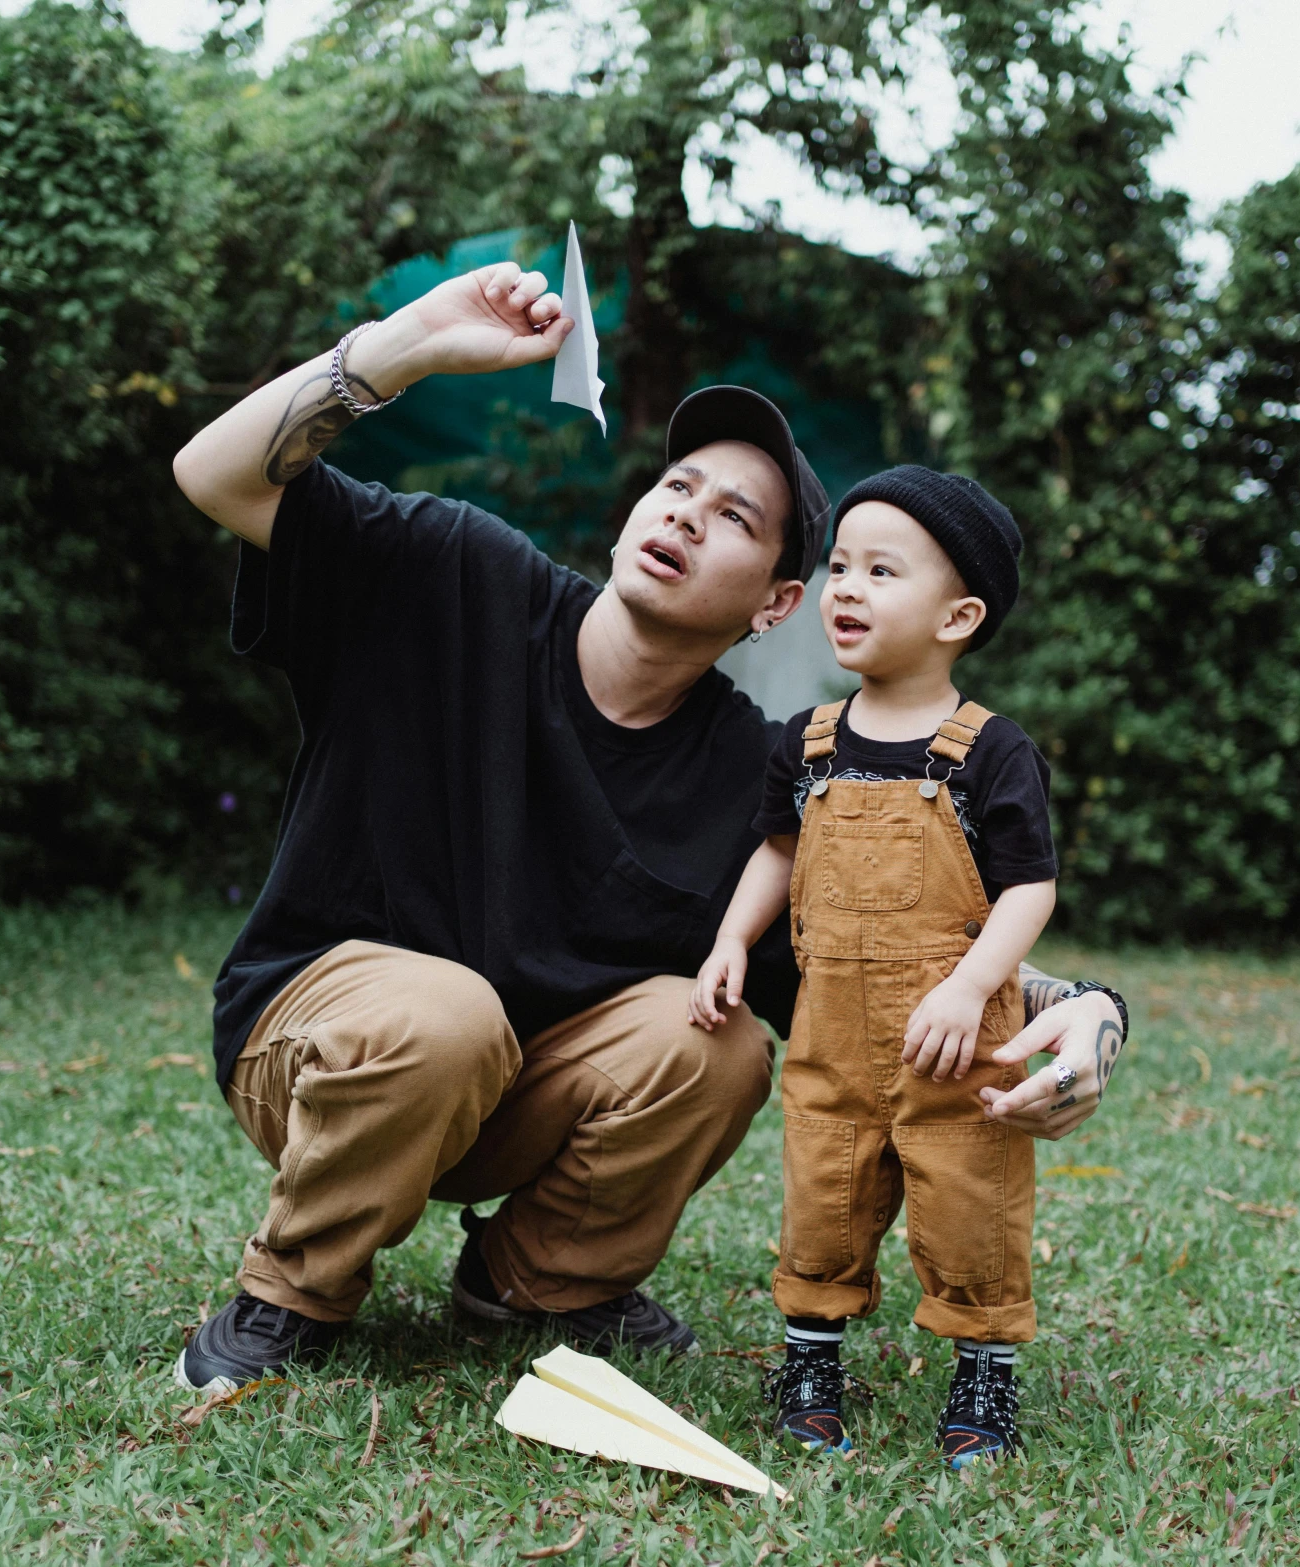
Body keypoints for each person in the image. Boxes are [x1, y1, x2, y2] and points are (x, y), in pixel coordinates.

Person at [166, 258, 1128, 1397]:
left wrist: (1093, 1016)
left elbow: (880, 950)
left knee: (715, 1044)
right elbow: (211, 473)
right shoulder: (454, 573)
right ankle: (291, 1293)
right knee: (446, 1014)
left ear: (775, 601)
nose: (686, 512)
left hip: (516, 1089)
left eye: (735, 518)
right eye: (678, 485)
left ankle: (537, 1282)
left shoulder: (754, 773)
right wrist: (404, 344)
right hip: (321, 1050)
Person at [692, 467, 1108, 1467]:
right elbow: (777, 851)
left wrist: (970, 985)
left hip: (956, 1040)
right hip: (831, 1035)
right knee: (820, 1200)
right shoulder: (809, 743)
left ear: (958, 613)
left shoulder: (991, 753)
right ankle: (809, 1368)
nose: (844, 587)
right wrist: (729, 939)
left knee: (973, 1208)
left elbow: (1028, 889)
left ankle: (982, 1384)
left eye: (881, 570)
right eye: (838, 565)